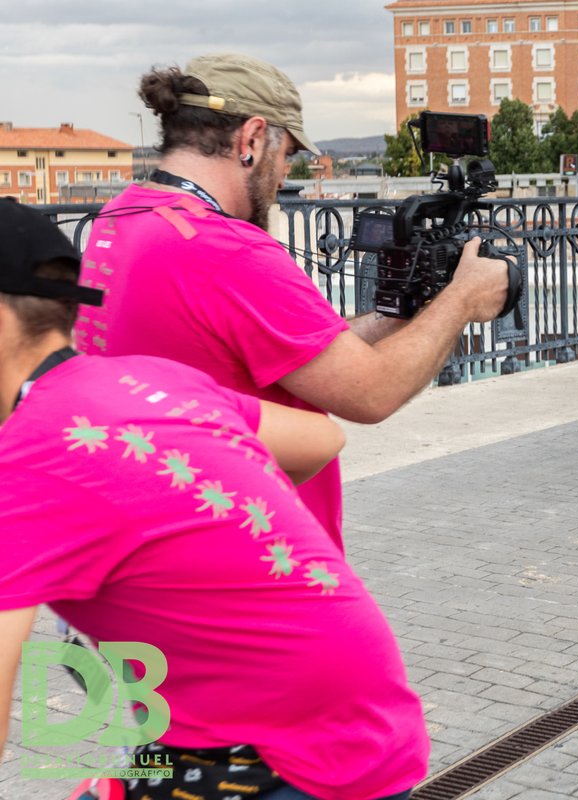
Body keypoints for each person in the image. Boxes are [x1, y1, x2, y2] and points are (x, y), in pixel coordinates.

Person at [0, 198, 422, 799]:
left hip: (289, 760)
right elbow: (320, 437)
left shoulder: (27, 460)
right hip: (367, 724)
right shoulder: (151, 379)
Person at [74, 53, 510, 549]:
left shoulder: (121, 217)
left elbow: (298, 353)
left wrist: (407, 310)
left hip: (157, 530)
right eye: (288, 157)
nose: (284, 178)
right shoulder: (227, 251)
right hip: (251, 556)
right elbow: (372, 394)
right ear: (253, 139)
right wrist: (462, 299)